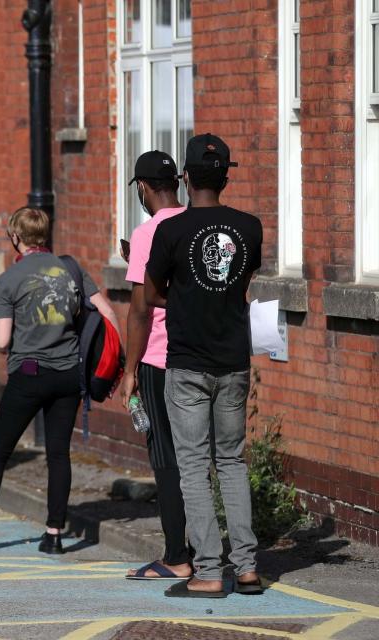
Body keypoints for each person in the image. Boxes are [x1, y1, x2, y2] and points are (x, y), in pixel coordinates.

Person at [0, 208, 121, 551]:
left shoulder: (9, 279)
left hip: (29, 375)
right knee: (58, 454)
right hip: (68, 374)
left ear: (16, 237)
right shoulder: (71, 268)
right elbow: (107, 313)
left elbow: (3, 341)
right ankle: (54, 536)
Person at [144, 133, 264, 598]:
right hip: (233, 360)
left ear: (187, 177)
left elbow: (152, 293)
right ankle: (248, 568)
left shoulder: (170, 229)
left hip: (188, 362)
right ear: (225, 177)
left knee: (193, 465)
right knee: (231, 461)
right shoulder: (249, 227)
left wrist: (186, 298)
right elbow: (239, 283)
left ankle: (210, 571)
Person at [118, 151, 194, 579]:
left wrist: (129, 371)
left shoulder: (147, 233)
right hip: (198, 356)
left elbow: (139, 310)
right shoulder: (195, 224)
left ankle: (175, 555)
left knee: (165, 456)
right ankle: (204, 548)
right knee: (198, 454)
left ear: (143, 189)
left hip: (158, 358)